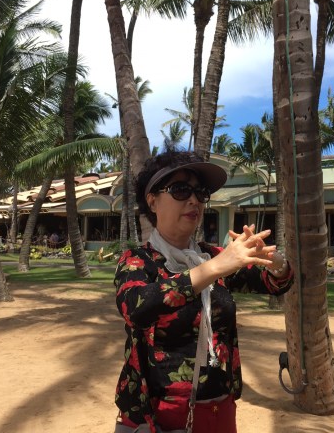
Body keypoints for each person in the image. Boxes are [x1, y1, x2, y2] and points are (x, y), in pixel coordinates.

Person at [114, 151, 293, 433]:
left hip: (220, 410)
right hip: (158, 416)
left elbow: (275, 283)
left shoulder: (213, 256)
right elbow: (136, 307)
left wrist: (274, 261)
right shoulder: (137, 261)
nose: (194, 200)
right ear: (152, 200)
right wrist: (214, 268)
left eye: (200, 192)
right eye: (180, 190)